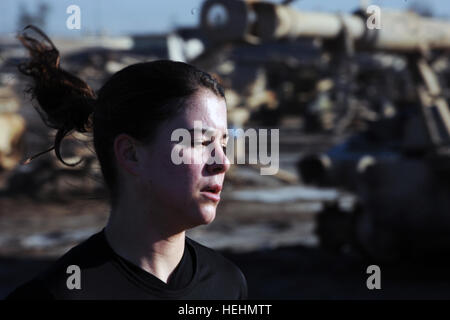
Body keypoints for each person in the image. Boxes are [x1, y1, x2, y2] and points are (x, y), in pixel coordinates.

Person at [6, 26, 247, 300]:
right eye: (201, 143)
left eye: (223, 144)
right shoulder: (57, 295)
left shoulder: (226, 285)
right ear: (131, 154)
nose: (223, 162)